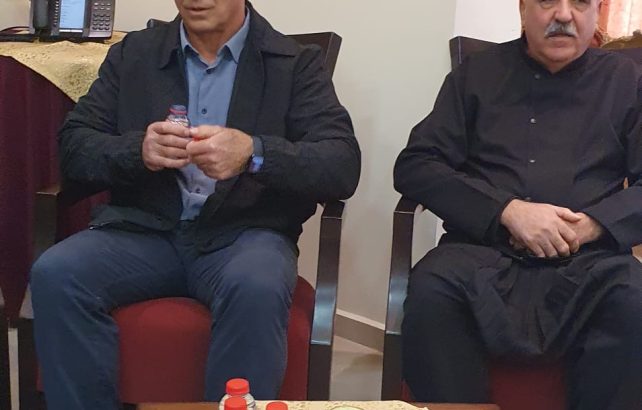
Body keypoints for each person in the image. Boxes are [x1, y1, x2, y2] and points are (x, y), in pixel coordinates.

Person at [29, 1, 360, 409]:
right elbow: (75, 146)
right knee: (56, 272)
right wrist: (138, 150)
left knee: (256, 284)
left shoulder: (294, 63)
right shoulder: (135, 54)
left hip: (243, 236)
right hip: (145, 232)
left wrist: (254, 153)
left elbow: (341, 164)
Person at [394, 1, 642, 409]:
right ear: (523, 10)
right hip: (482, 253)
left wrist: (592, 225)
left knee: (633, 300)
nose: (564, 15)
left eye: (580, 2)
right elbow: (416, 165)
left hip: (590, 261)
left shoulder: (628, 80)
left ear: (597, 12)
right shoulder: (475, 74)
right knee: (432, 290)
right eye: (547, 0)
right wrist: (507, 211)